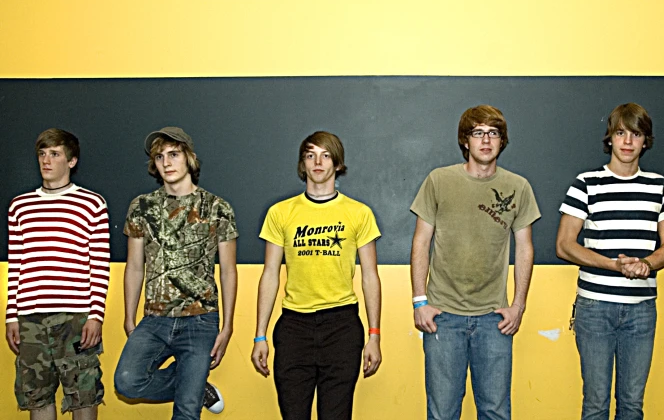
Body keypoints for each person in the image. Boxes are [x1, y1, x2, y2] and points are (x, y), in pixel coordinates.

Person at [410, 105, 541, 420]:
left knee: (495, 412)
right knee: (442, 413)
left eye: (493, 133)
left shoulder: (518, 187)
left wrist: (518, 306)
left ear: (502, 141)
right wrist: (419, 301)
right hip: (442, 316)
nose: (486, 140)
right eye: (478, 133)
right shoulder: (439, 180)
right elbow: (420, 241)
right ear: (465, 140)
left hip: (494, 319)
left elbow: (525, 248)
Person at [555, 103, 664, 420]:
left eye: (635, 134)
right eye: (621, 133)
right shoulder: (586, 183)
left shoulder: (659, 186)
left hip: (641, 310)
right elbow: (565, 245)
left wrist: (647, 265)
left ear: (645, 140)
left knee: (632, 406)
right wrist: (614, 266)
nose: (627, 141)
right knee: (596, 405)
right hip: (595, 308)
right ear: (609, 138)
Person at [252, 131, 382, 420]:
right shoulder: (280, 212)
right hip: (293, 328)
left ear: (337, 163)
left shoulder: (359, 213)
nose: (318, 162)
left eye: (325, 155)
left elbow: (370, 277)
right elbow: (270, 274)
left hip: (342, 327)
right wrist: (259, 335)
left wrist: (374, 336)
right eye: (310, 155)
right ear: (303, 164)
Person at [114, 127, 238, 420]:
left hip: (201, 320)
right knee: (128, 381)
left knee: (187, 412)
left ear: (189, 159)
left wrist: (228, 325)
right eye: (159, 157)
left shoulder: (218, 207)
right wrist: (130, 318)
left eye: (174, 154)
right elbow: (134, 266)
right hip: (155, 320)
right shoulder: (142, 207)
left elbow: (229, 271)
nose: (166, 162)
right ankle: (193, 383)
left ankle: (192, 388)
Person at [5, 128, 110, 420]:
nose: (46, 161)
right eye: (42, 154)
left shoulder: (92, 204)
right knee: (36, 395)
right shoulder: (19, 207)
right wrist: (11, 316)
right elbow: (17, 265)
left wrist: (95, 315)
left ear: (72, 160)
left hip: (75, 318)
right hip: (30, 319)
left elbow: (99, 265)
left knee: (84, 392)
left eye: (54, 154)